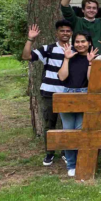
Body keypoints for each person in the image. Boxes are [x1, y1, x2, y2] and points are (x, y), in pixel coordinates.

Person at [22, 20, 73, 166]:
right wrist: (30, 39)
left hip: (68, 94)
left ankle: (66, 152)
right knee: (49, 124)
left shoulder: (75, 50)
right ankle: (50, 153)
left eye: (68, 31)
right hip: (50, 93)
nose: (65, 33)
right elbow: (26, 56)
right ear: (57, 33)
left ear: (71, 33)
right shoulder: (48, 49)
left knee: (67, 125)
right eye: (62, 31)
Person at [56, 31, 98, 177]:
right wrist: (66, 59)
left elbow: (91, 80)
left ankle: (81, 162)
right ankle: (71, 164)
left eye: (83, 41)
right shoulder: (69, 57)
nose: (80, 44)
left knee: (81, 131)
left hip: (85, 94)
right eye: (77, 42)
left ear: (89, 43)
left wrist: (91, 62)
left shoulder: (93, 58)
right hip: (67, 94)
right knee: (69, 131)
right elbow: (62, 77)